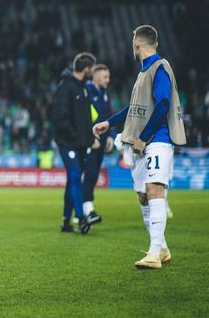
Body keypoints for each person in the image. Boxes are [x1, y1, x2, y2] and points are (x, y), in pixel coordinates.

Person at [93, 25, 186, 269]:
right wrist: (108, 123)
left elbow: (164, 102)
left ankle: (154, 254)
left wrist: (144, 136)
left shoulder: (160, 67)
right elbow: (133, 109)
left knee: (154, 189)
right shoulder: (143, 72)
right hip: (141, 143)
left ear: (137, 43)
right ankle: (162, 248)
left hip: (157, 140)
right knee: (143, 196)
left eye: (132, 41)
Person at [52, 52, 99, 234]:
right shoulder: (66, 87)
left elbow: (85, 120)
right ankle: (80, 217)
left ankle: (66, 221)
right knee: (75, 175)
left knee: (73, 179)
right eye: (92, 69)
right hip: (68, 142)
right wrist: (76, 137)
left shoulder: (83, 88)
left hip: (79, 143)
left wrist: (89, 139)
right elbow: (59, 117)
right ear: (86, 69)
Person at [82, 63, 115, 223]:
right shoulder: (87, 91)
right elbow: (84, 117)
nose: (108, 80)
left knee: (92, 175)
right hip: (90, 141)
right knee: (90, 174)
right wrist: (90, 138)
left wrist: (110, 136)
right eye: (105, 77)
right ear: (95, 76)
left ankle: (85, 210)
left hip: (101, 140)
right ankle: (86, 210)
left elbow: (108, 116)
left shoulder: (104, 94)